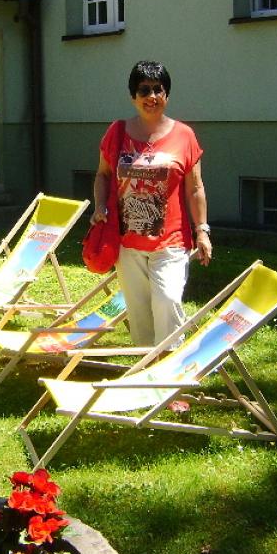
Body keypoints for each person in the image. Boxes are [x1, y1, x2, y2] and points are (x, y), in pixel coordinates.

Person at [91, 59, 212, 347]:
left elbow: (195, 188)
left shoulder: (184, 135)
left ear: (167, 94)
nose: (152, 96)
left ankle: (170, 367)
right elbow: (103, 175)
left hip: (170, 243)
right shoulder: (117, 132)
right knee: (140, 317)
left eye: (158, 89)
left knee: (168, 302)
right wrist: (99, 206)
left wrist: (202, 230)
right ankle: (146, 368)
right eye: (144, 90)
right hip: (127, 243)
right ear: (133, 96)